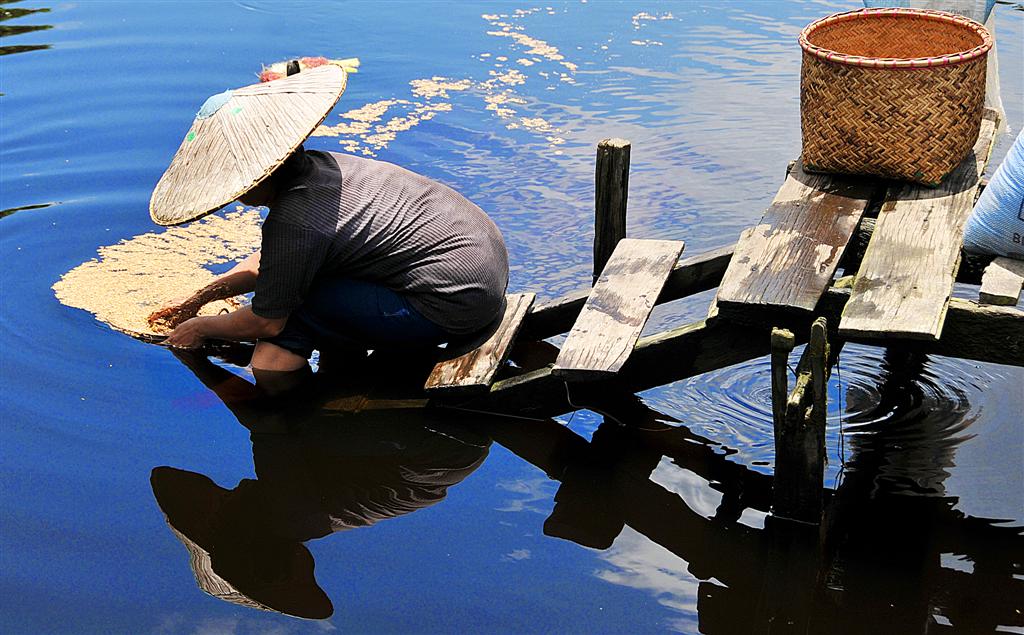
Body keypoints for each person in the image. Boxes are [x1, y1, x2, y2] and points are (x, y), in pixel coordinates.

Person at [147, 66, 509, 375]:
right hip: (485, 269)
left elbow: (266, 320)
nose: (237, 197)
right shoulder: (325, 166)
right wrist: (197, 298)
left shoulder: (295, 218)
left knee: (290, 317)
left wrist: (199, 328)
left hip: (452, 305)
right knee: (300, 282)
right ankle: (342, 357)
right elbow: (273, 263)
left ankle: (290, 411)